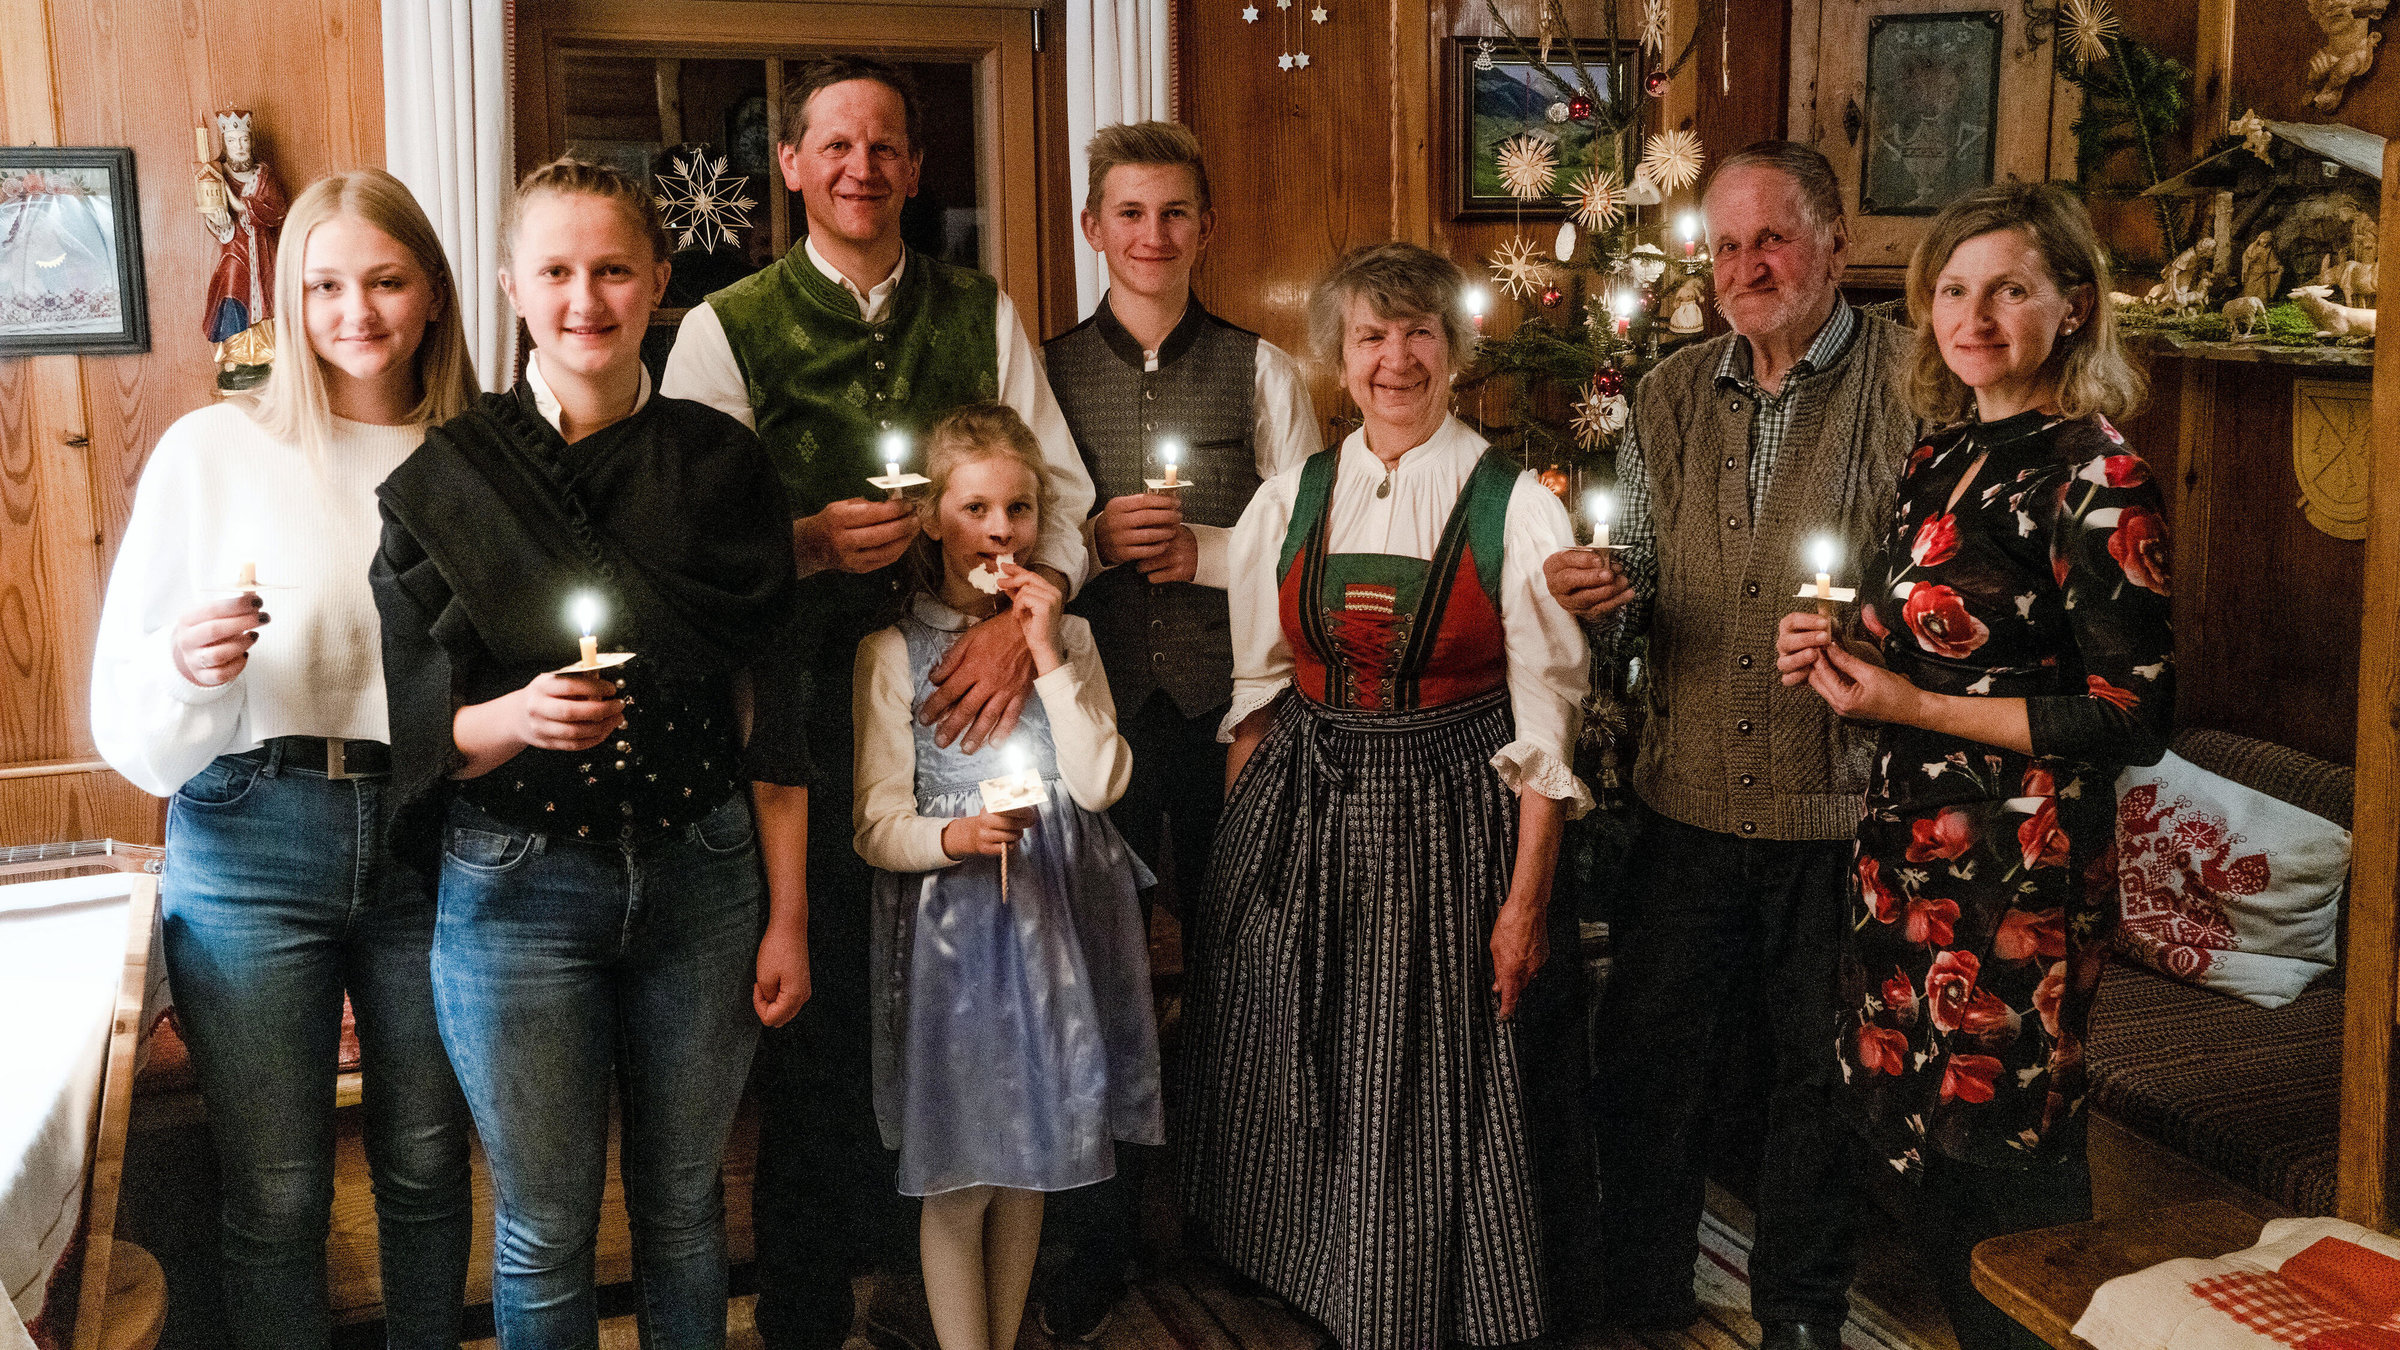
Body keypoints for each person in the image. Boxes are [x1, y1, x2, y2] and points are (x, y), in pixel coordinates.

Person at [660, 56, 1095, 1350]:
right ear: (791, 165)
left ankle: (942, 1303)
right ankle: (806, 1308)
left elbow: (1064, 497)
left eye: (886, 145)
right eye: (836, 145)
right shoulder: (726, 326)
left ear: (914, 167)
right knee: (828, 1023)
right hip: (799, 725)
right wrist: (800, 544)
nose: (862, 166)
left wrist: (1022, 624)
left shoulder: (981, 311)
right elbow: (680, 542)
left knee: (971, 1014)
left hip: (970, 715)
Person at [369, 158, 802, 1349]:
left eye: (613, 270)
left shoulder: (723, 463)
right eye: (555, 271)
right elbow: (418, 729)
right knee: (546, 1225)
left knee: (684, 1207)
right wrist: (517, 718)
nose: (584, 299)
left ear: (659, 280)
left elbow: (776, 707)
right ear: (510, 285)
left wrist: (788, 914)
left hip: (705, 878)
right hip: (518, 888)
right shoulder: (450, 479)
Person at [1775, 182, 2171, 1350]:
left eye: (2010, 289)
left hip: (2020, 875)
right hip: (1906, 859)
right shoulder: (1941, 454)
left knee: (2003, 1169)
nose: (1975, 316)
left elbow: (2131, 715)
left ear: (2074, 305)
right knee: (1918, 1155)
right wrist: (1843, 653)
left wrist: (1910, 701)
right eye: (1953, 290)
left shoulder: (2096, 474)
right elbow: (1923, 653)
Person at [1179, 242, 1592, 1350]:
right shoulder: (1290, 498)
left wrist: (1524, 904)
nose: (1395, 358)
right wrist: (1238, 862)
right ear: (1339, 356)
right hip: (1302, 802)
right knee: (1294, 1036)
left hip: (1451, 818)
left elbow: (1545, 727)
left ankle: (1409, 1293)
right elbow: (1259, 693)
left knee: (1417, 1068)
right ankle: (1309, 1269)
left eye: (1418, 333)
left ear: (1454, 352)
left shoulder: (1516, 507)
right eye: (1371, 335)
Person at [90, 168, 477, 1350]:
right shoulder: (213, 449)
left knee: (428, 1163)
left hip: (432, 834)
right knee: (276, 1192)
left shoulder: (480, 456)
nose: (355, 312)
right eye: (323, 286)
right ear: (289, 302)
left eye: (385, 281)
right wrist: (184, 664)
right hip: (251, 837)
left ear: (433, 292)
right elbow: (127, 707)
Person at [1542, 141, 1919, 1350]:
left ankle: (1800, 1315)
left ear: (1835, 247)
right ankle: (1642, 1292)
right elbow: (1644, 581)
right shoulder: (1668, 393)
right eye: (1726, 246)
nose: (1747, 267)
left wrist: (1872, 636)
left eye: (1774, 240)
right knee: (1650, 1060)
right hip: (1687, 795)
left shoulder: (1912, 381)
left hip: (1838, 802)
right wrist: (1605, 595)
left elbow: (1942, 586)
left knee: (1819, 1077)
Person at [1036, 118, 1318, 1337]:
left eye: (1174, 213)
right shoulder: (1043, 371)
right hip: (1093, 719)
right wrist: (1092, 542)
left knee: (1244, 975)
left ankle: (1241, 1221)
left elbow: (1309, 548)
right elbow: (1018, 526)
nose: (1152, 236)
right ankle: (1090, 1242)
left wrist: (1204, 549)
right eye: (1129, 214)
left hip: (1229, 720)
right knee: (1089, 977)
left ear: (1207, 227)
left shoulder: (1262, 372)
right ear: (1093, 228)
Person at [852, 402, 1163, 1350]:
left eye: (1019, 509)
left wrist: (1045, 649)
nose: (1000, 532)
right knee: (964, 1178)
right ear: (932, 518)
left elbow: (1100, 783)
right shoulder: (890, 653)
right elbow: (875, 825)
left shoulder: (1072, 641)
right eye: (976, 509)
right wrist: (956, 836)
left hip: (1057, 930)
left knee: (1032, 1168)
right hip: (958, 948)